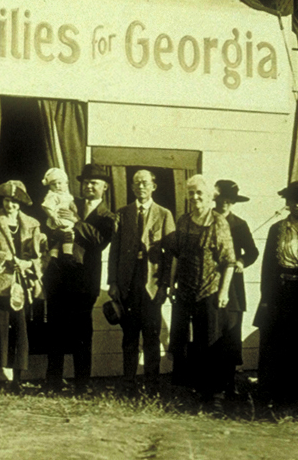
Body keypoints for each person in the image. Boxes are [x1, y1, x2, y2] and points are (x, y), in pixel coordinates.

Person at [156, 175, 236, 407]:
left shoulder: (218, 222)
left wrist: (223, 292)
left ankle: (215, 394)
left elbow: (229, 261)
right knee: (184, 341)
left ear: (210, 197)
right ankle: (192, 389)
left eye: (200, 193)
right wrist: (171, 283)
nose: (195, 197)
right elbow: (175, 255)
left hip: (210, 291)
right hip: (185, 292)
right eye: (191, 193)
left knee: (210, 342)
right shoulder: (182, 221)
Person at [44, 163, 115, 394]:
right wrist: (57, 227)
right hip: (59, 277)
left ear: (104, 187)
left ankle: (81, 383)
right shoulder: (67, 201)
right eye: (86, 182)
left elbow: (98, 241)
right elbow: (52, 228)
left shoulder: (107, 215)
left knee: (81, 333)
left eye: (95, 183)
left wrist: (76, 221)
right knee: (55, 329)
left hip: (84, 282)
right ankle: (53, 380)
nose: (89, 186)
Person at [106, 169, 175, 392]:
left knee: (152, 336)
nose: (141, 187)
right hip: (128, 286)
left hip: (152, 287)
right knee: (129, 336)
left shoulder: (164, 214)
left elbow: (171, 255)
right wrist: (113, 283)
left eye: (145, 183)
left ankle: (152, 384)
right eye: (136, 183)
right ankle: (128, 382)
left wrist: (166, 285)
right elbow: (114, 252)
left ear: (153, 186)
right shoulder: (123, 214)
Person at [256, 180, 298, 403]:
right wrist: (266, 298)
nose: (296, 205)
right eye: (293, 200)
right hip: (279, 291)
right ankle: (271, 392)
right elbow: (267, 267)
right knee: (274, 340)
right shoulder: (276, 229)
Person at [0, 180, 45, 395]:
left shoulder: (32, 224)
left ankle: (17, 379)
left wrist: (29, 265)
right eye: (7, 200)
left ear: (21, 203)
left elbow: (40, 255)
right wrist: (5, 259)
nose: (11, 205)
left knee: (20, 332)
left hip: (21, 286)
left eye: (15, 202)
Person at [213, 180, 260, 395]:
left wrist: (241, 262)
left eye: (229, 201)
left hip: (232, 287)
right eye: (222, 200)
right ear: (215, 199)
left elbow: (252, 251)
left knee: (230, 334)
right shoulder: (206, 220)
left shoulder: (239, 225)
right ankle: (210, 383)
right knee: (210, 332)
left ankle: (230, 382)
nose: (225, 204)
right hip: (208, 282)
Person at [39, 167, 78, 257]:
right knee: (65, 236)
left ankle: (61, 254)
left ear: (66, 184)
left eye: (59, 183)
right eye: (53, 184)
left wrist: (73, 206)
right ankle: (65, 254)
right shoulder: (52, 195)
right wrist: (53, 216)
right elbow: (46, 207)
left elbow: (70, 202)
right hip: (59, 220)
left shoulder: (66, 195)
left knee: (65, 236)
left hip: (66, 220)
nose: (57, 186)